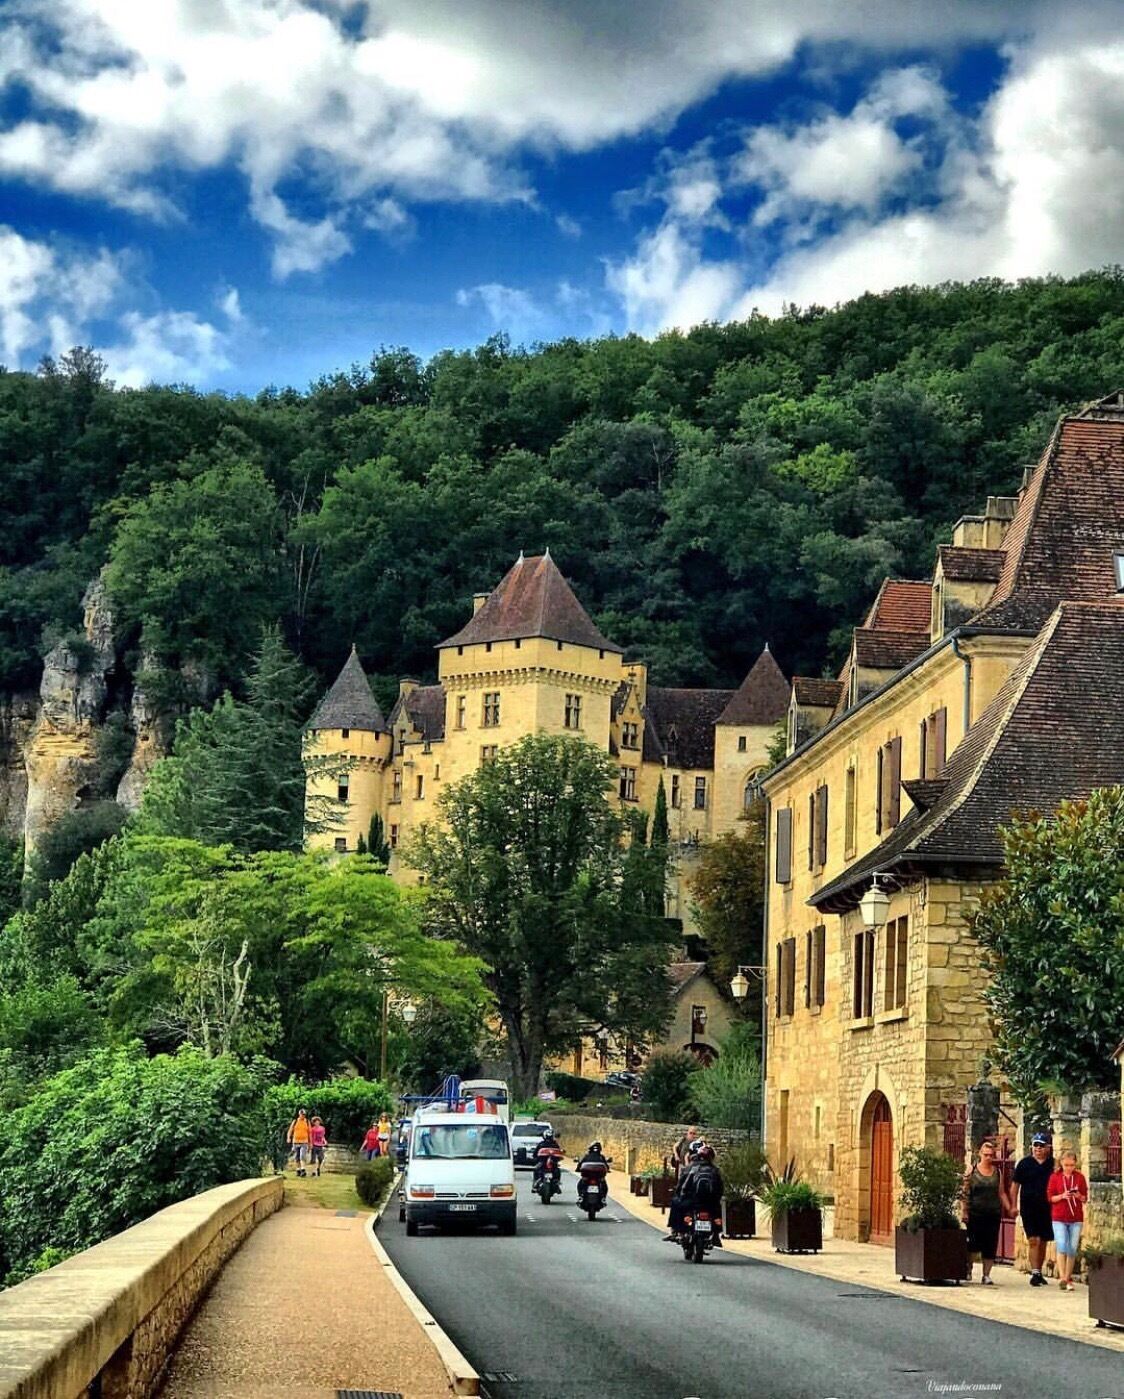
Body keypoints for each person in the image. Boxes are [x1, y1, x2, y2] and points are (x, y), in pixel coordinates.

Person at [962, 1139, 1013, 1284]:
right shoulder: (972, 1171)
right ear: (980, 1154)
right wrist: (964, 1211)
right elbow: (965, 1193)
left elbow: (1001, 1192)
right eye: (986, 1155)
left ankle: (986, 1274)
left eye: (991, 1155)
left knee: (990, 1244)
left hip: (992, 1213)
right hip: (975, 1213)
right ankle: (968, 1270)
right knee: (972, 1245)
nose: (989, 1158)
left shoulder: (997, 1172)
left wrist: (1009, 1208)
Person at [1012, 1133, 1055, 1286]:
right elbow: (1015, 1185)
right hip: (1028, 1207)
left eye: (1041, 1145)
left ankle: (1039, 1270)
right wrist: (1013, 1205)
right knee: (1033, 1240)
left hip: (1047, 1208)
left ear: (1048, 1147)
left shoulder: (1052, 1164)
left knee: (1043, 1240)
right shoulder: (1024, 1164)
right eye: (1036, 1145)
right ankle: (1035, 1272)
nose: (1038, 1148)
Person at [1048, 1148, 1088, 1291]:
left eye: (1072, 1165)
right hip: (1059, 1216)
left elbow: (1085, 1198)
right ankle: (1063, 1277)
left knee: (1072, 1248)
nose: (1069, 1168)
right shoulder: (1055, 1177)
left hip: (1076, 1217)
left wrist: (1078, 1196)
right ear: (1061, 1164)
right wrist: (1062, 1196)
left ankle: (1067, 1277)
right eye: (1066, 1165)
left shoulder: (1080, 1178)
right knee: (1062, 1245)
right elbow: (1050, 1197)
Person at [680, 1143, 724, 1247]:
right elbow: (720, 1188)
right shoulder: (715, 1171)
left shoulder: (693, 1169)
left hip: (695, 1202)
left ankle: (683, 1233)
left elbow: (685, 1187)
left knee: (684, 1212)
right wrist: (717, 1198)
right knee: (718, 1215)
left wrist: (683, 1195)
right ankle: (716, 1235)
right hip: (710, 1203)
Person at [663, 1139, 705, 1241]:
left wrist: (680, 1194)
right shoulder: (713, 1169)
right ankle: (716, 1234)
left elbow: (682, 1187)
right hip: (710, 1202)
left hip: (692, 1201)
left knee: (676, 1202)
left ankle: (675, 1230)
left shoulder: (690, 1169)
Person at [576, 1140, 610, 1207]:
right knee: (604, 1185)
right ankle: (603, 1198)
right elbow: (607, 1166)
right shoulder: (601, 1157)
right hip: (598, 1177)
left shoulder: (586, 1156)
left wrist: (577, 1169)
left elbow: (580, 1165)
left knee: (580, 1184)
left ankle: (581, 1196)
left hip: (588, 1177)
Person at [286, 1108, 312, 1177]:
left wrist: (310, 1143)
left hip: (304, 1142)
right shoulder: (295, 1121)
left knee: (302, 1155)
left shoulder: (307, 1122)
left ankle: (303, 1170)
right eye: (302, 1114)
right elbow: (290, 1130)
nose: (303, 1116)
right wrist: (288, 1138)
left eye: (304, 1115)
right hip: (296, 1142)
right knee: (297, 1156)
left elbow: (310, 1133)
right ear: (299, 1114)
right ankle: (298, 1169)